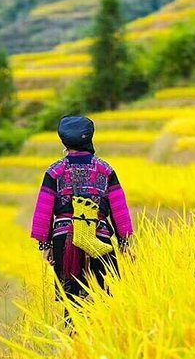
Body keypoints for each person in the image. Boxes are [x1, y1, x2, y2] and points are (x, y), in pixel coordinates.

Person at [30, 115, 133, 316]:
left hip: (64, 241)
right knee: (103, 300)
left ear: (64, 141)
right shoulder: (105, 169)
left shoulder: (55, 171)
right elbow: (119, 210)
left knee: (72, 303)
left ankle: (74, 344)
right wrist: (124, 243)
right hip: (99, 239)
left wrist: (46, 246)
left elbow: (44, 211)